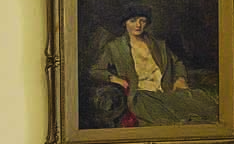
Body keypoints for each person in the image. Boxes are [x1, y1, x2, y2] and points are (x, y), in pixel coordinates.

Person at [86, 10, 218, 126]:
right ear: (125, 23)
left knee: (203, 106)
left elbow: (177, 63)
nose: (138, 25)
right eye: (133, 21)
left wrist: (181, 79)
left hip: (167, 90)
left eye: (142, 21)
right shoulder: (114, 47)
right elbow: (96, 70)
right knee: (167, 119)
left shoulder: (159, 45)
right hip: (141, 95)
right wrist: (115, 79)